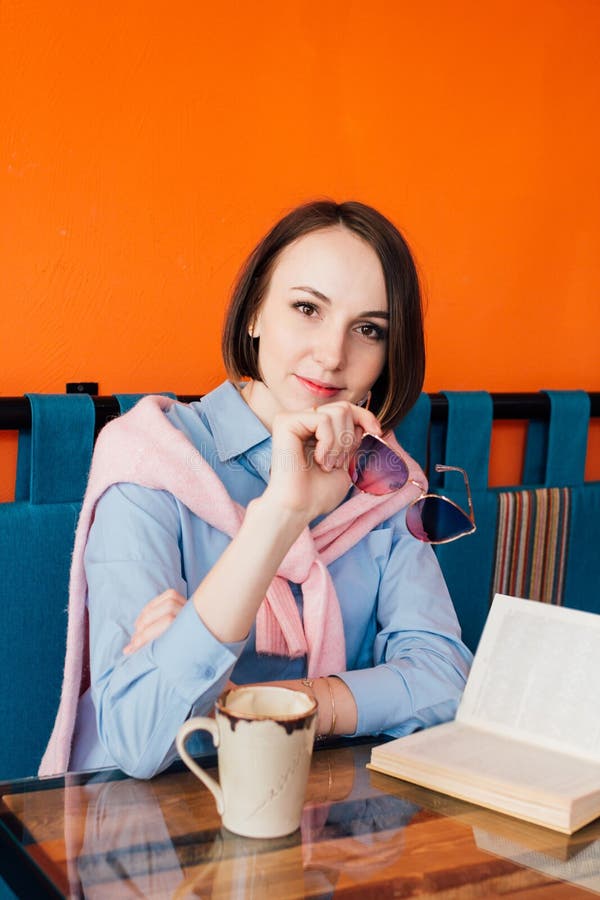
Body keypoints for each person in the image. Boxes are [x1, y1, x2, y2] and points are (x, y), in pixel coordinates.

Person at [41, 200, 472, 780]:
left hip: (321, 825)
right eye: (306, 308)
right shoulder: (150, 459)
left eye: (367, 329)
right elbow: (140, 737)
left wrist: (259, 705)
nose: (332, 354)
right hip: (144, 834)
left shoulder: (385, 483)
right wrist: (281, 515)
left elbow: (445, 681)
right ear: (254, 314)